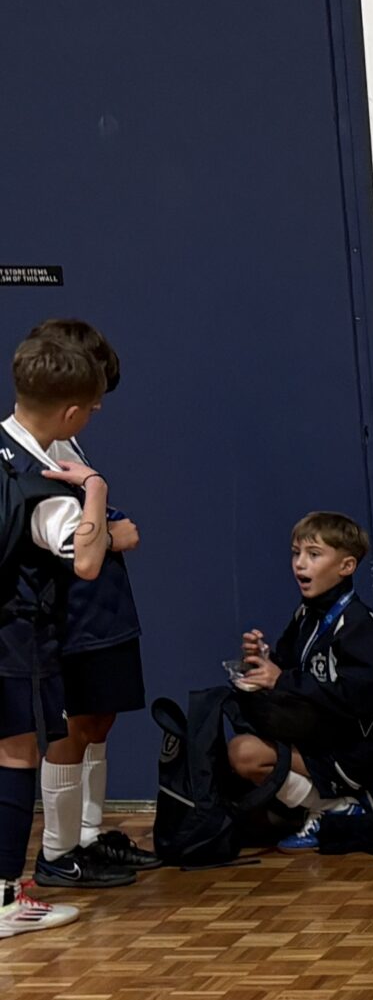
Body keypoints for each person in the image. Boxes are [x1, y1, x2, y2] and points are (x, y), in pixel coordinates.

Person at [25, 323, 153, 886]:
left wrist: (110, 528)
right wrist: (110, 530)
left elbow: (101, 531)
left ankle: (89, 836)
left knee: (98, 721)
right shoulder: (34, 452)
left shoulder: (68, 441)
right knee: (71, 728)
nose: (100, 404)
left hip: (103, 608)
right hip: (69, 612)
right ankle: (57, 851)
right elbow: (81, 547)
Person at [0, 327, 113, 934]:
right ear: (72, 412)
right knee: (16, 756)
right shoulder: (48, 484)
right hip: (14, 633)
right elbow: (87, 562)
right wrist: (96, 489)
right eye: (92, 406)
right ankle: (6, 898)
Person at [230, 513, 373, 839]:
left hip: (354, 753)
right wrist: (260, 661)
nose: (300, 564)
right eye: (296, 553)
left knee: (245, 753)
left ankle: (340, 808)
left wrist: (281, 680)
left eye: (314, 554)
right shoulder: (306, 614)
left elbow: (353, 702)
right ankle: (339, 803)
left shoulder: (366, 631)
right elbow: (288, 669)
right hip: (316, 738)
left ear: (346, 566)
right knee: (234, 743)